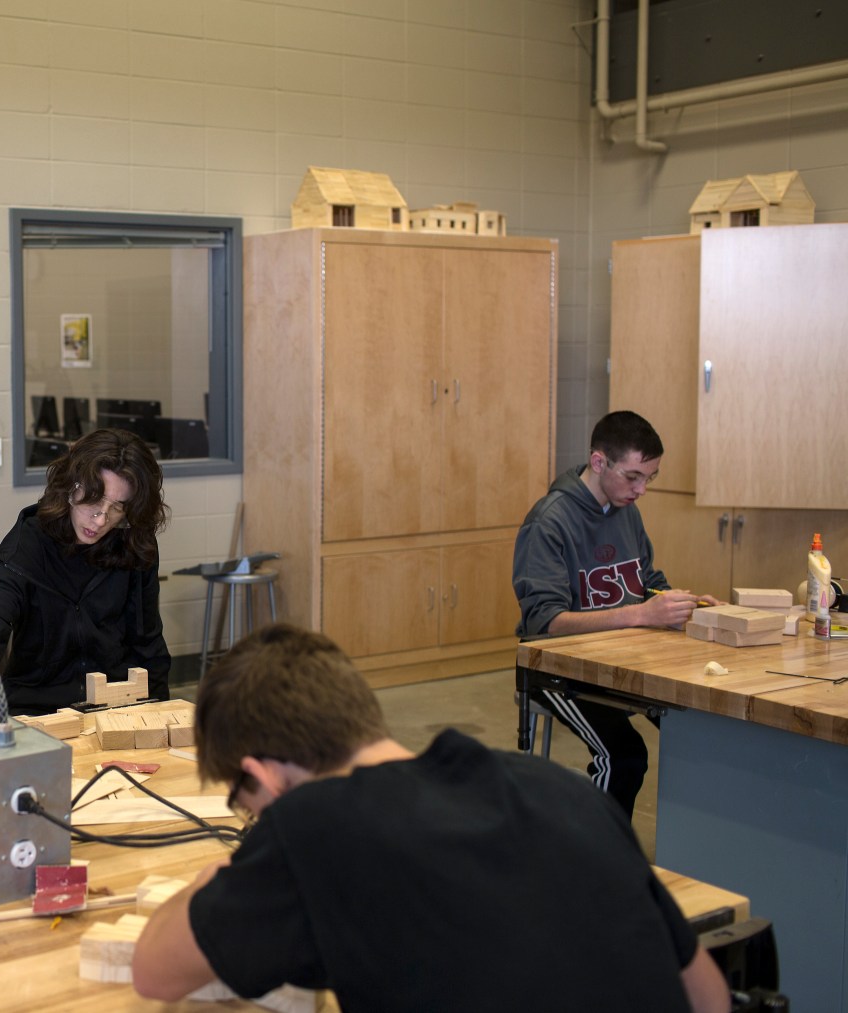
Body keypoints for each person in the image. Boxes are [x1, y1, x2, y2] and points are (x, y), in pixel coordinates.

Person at [130, 624, 729, 1013]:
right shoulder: (558, 788)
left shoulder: (315, 824)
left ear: (263, 776)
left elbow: (155, 972)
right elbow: (707, 997)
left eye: (248, 806)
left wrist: (218, 879)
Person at [0, 428, 169, 741]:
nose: (101, 520)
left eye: (118, 507)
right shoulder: (29, 544)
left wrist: (164, 718)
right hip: (35, 714)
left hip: (113, 711)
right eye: (93, 500)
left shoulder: (132, 544)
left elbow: (148, 641)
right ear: (69, 486)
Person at [512, 410, 718, 819]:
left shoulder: (627, 511)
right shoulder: (548, 522)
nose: (641, 490)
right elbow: (546, 625)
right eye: (633, 476)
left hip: (624, 660)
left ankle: (694, 854)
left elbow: (647, 581)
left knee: (697, 729)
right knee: (624, 756)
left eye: (650, 478)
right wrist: (640, 615)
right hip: (560, 670)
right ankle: (598, 859)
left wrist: (683, 603)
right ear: (598, 461)